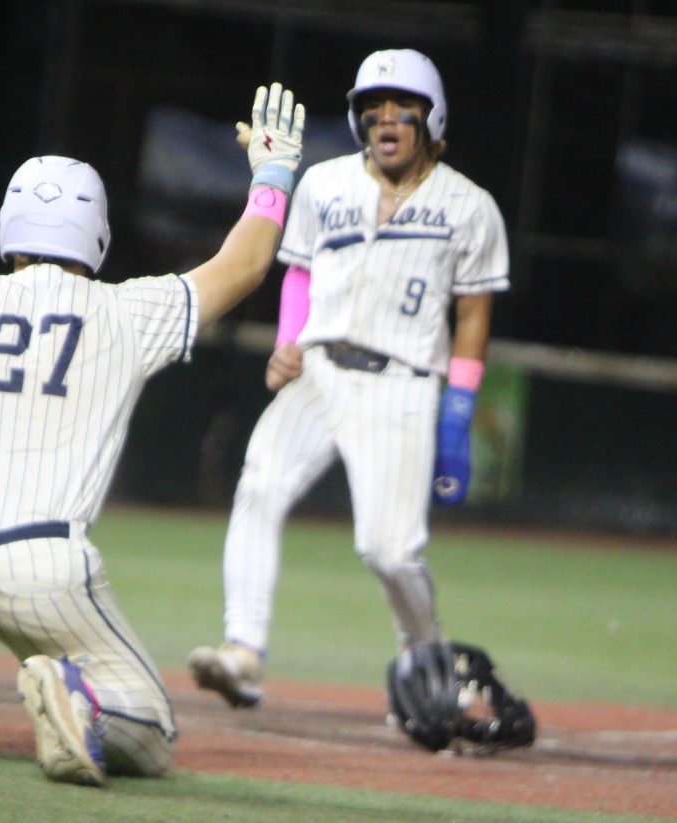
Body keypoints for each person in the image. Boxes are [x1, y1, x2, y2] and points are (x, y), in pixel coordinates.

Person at [0, 85, 305, 786]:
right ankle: (79, 698)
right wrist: (271, 180)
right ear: (95, 233)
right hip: (41, 575)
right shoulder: (128, 311)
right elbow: (243, 266)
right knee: (151, 731)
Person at [188, 49, 511, 712]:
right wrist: (287, 342)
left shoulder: (470, 206)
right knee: (261, 484)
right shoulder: (325, 184)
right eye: (373, 108)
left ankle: (426, 657)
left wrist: (457, 413)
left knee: (389, 551)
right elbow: (300, 274)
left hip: (404, 383)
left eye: (401, 108)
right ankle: (243, 652)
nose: (386, 119)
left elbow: (474, 313)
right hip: (321, 369)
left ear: (431, 117)